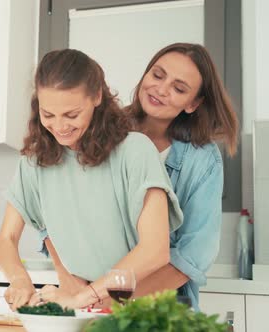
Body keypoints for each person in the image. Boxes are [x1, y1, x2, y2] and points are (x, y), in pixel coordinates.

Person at [44, 43, 239, 311]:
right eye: (158, 75)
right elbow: (51, 217)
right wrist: (72, 285)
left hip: (159, 308)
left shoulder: (202, 160)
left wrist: (112, 301)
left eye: (179, 88)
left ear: (193, 103)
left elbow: (190, 257)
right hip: (87, 301)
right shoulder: (98, 131)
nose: (161, 89)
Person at [0, 49, 183, 311]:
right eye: (48, 115)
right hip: (81, 306)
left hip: (139, 306)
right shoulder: (34, 163)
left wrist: (86, 297)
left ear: (96, 97)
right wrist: (19, 280)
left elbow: (156, 249)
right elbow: (6, 238)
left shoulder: (135, 151)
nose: (60, 126)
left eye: (72, 115)